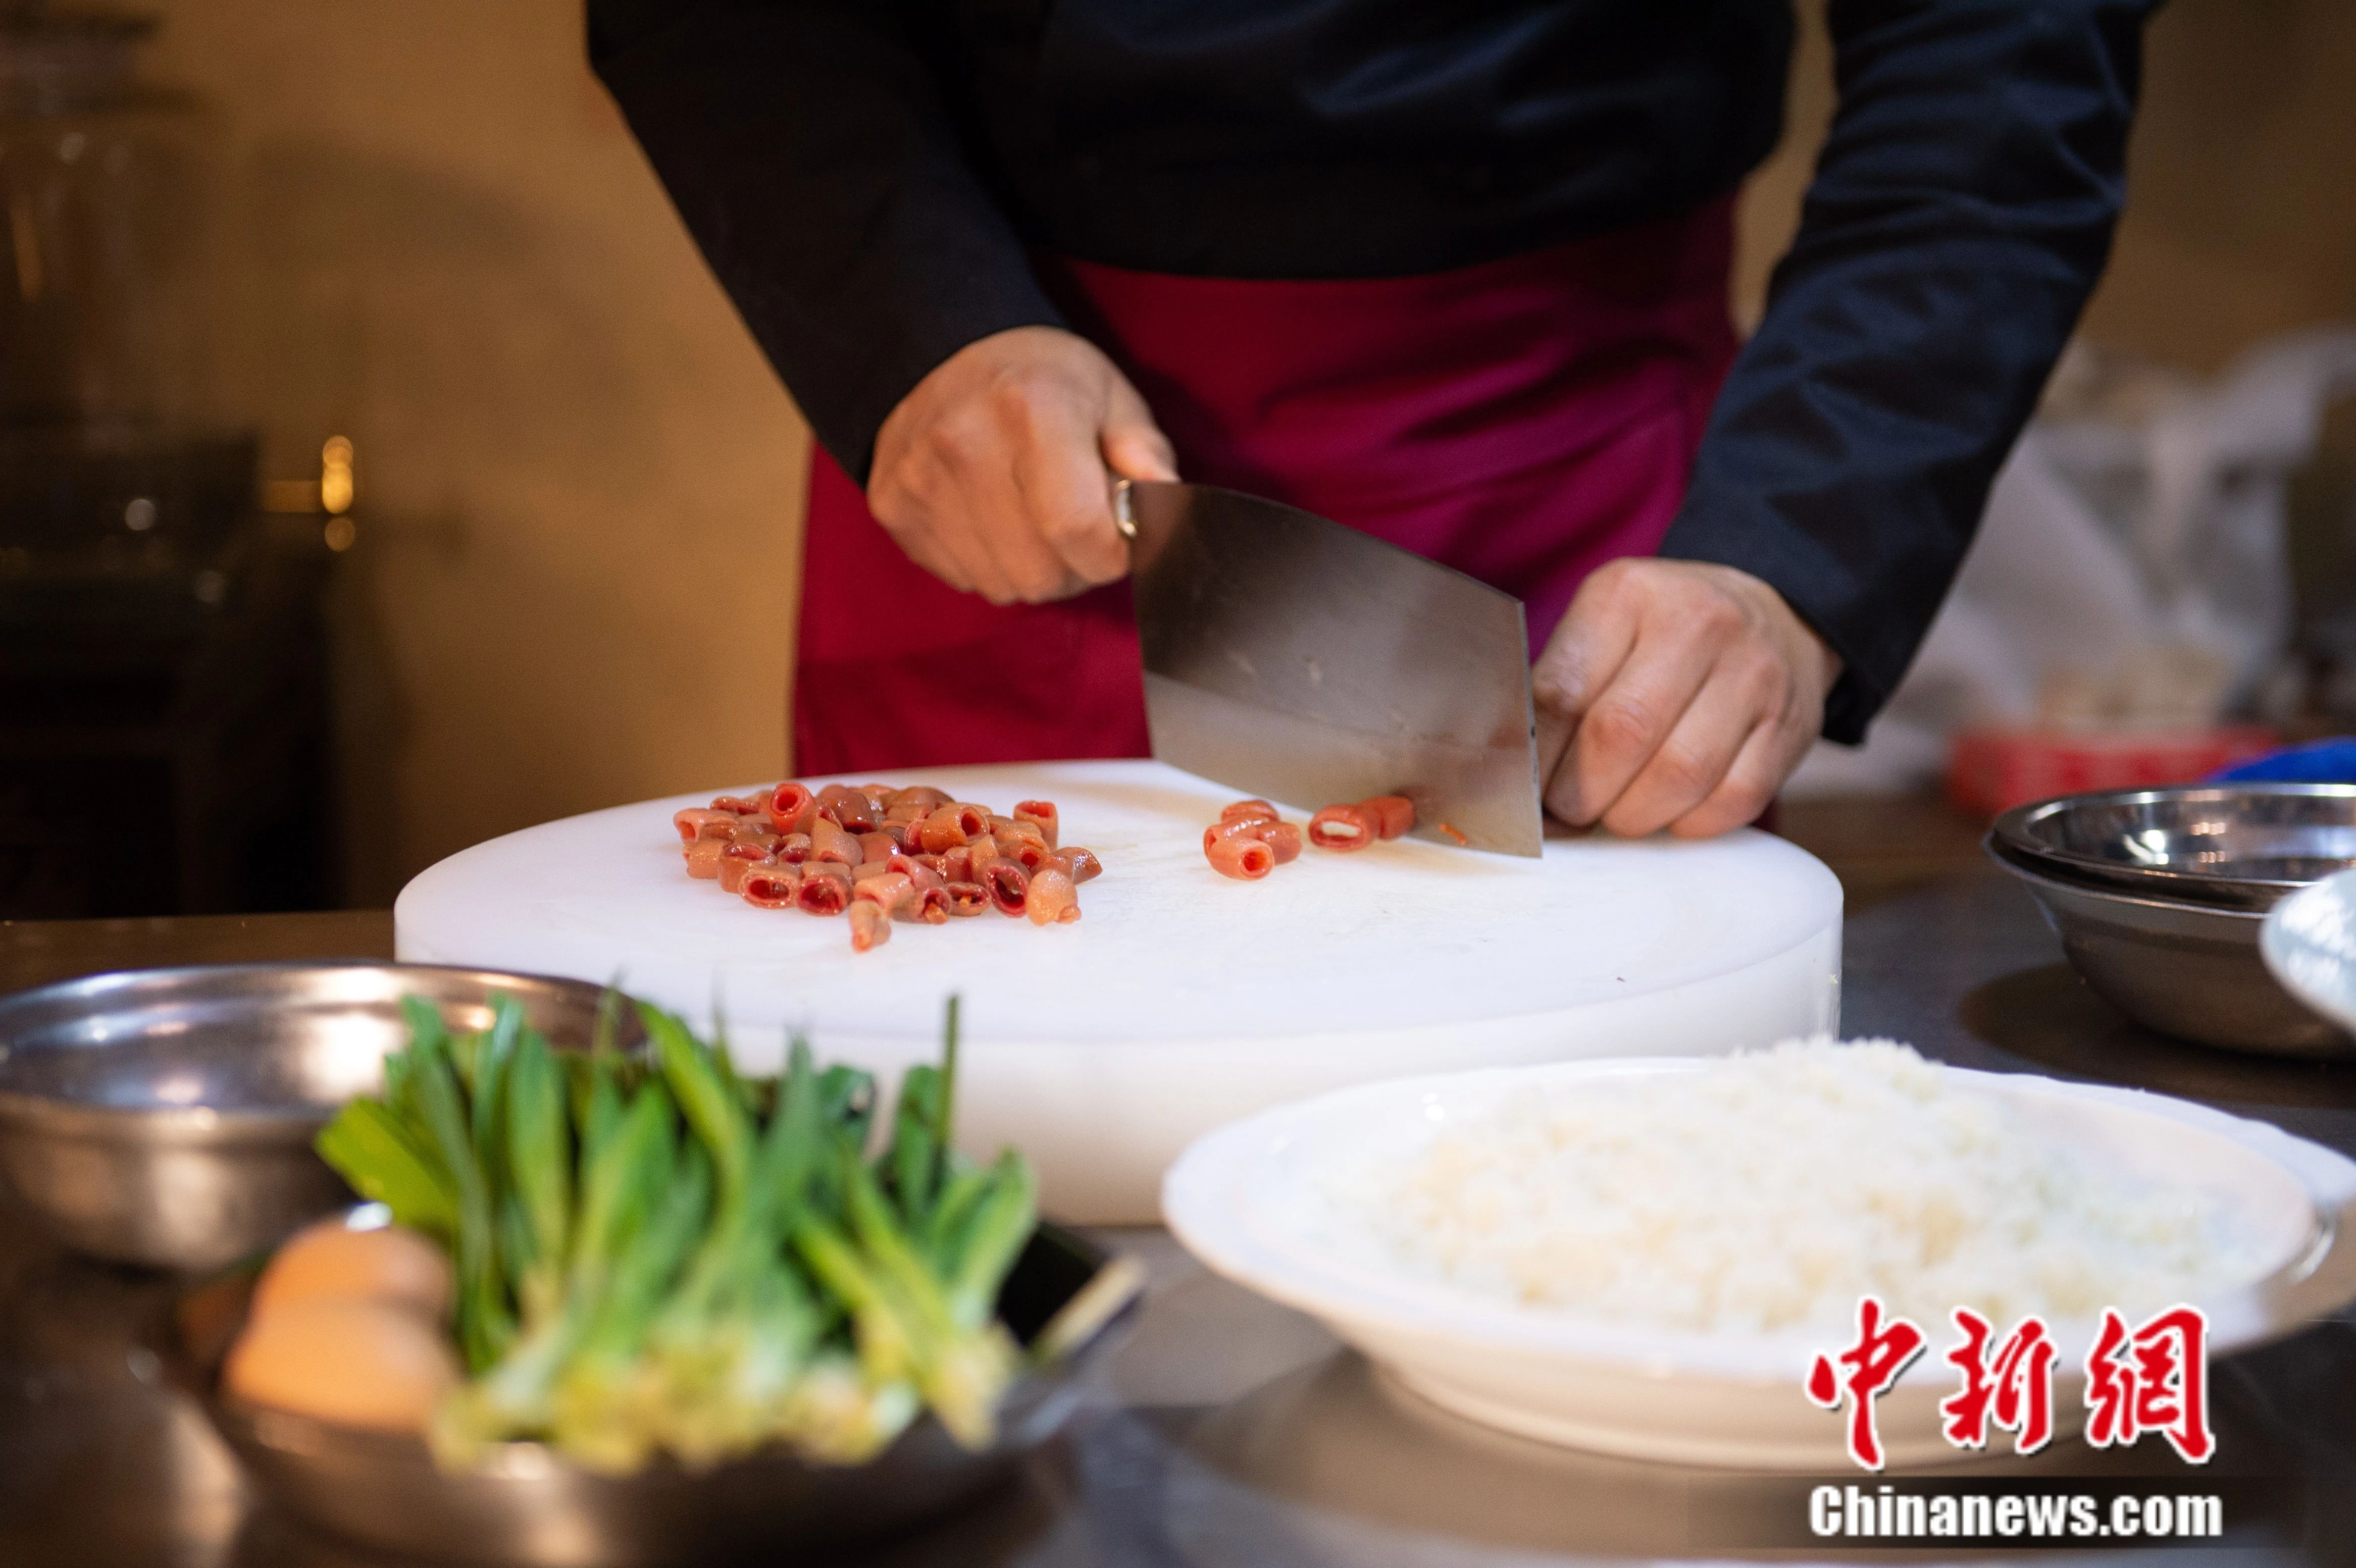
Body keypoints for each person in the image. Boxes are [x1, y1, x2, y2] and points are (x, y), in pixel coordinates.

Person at [589, 1, 2156, 838]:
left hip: (1590, 509)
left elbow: (1998, 51)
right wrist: (909, 320)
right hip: (1011, 457)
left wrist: (1797, 547)